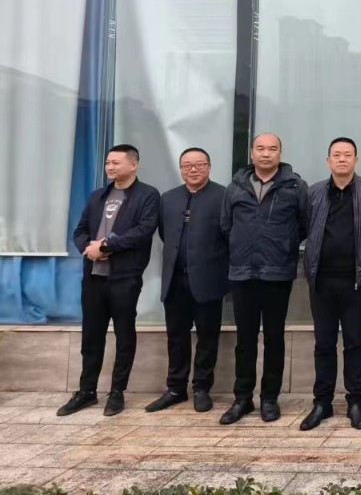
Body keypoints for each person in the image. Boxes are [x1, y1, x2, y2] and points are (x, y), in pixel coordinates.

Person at [58, 144, 159, 418]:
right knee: (91, 336)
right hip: (94, 278)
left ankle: (117, 392)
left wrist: (106, 246)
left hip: (124, 278)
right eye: (107, 162)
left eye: (115, 162)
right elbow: (80, 230)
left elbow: (143, 231)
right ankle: (87, 391)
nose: (110, 167)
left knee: (124, 336)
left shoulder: (147, 195)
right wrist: (88, 248)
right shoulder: (98, 196)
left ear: (134, 165)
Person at [219, 133, 309, 425]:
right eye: (260, 148)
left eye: (272, 149)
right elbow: (226, 225)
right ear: (252, 152)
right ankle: (242, 398)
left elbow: (304, 225)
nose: (266, 153)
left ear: (280, 153)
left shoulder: (295, 186)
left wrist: (281, 245)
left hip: (277, 273)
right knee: (244, 340)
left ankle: (269, 398)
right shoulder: (235, 187)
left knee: (274, 338)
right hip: (243, 273)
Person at [299, 137, 361, 431]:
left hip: (355, 281)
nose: (342, 159)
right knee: (323, 343)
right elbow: (305, 227)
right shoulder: (313, 193)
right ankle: (322, 403)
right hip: (321, 281)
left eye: (347, 155)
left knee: (354, 342)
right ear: (328, 161)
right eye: (336, 155)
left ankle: (355, 402)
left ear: (356, 160)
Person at [145, 147, 228, 414]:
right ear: (181, 169)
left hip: (208, 280)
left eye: (199, 164)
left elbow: (230, 236)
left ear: (209, 167)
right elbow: (164, 233)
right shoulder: (168, 198)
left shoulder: (224, 196)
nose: (193, 169)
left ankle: (202, 388)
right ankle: (175, 388)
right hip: (175, 280)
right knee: (176, 337)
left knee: (207, 338)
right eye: (187, 165)